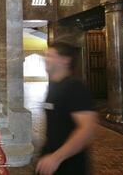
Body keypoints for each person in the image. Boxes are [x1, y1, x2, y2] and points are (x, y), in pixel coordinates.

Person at [36, 42, 97, 175]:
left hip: (69, 163)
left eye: (50, 56)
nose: (46, 59)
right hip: (50, 158)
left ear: (65, 60)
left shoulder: (75, 87)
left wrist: (56, 158)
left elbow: (86, 129)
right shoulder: (53, 85)